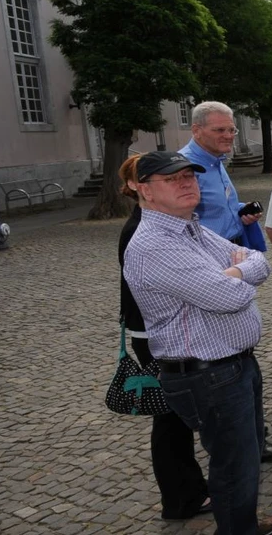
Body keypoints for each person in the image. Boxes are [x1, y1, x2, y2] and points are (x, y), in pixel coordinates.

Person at [122, 151, 272, 535]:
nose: (186, 183)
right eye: (172, 179)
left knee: (244, 460)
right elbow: (229, 297)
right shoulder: (154, 244)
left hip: (234, 364)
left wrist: (231, 272)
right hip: (209, 374)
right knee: (232, 466)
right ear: (144, 190)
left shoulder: (190, 228)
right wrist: (232, 277)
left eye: (189, 176)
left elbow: (259, 260)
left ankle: (240, 523)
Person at [117, 154, 210, 523]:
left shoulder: (157, 220)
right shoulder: (142, 229)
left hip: (153, 328)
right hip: (153, 333)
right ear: (140, 189)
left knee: (174, 416)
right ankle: (182, 498)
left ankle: (185, 494)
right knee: (170, 417)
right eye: (167, 180)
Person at [179, 101, 263, 250]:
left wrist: (241, 210)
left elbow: (215, 208)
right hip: (208, 254)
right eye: (219, 130)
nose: (228, 136)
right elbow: (177, 221)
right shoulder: (184, 167)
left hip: (233, 246)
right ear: (196, 130)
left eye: (232, 130)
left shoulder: (215, 159)